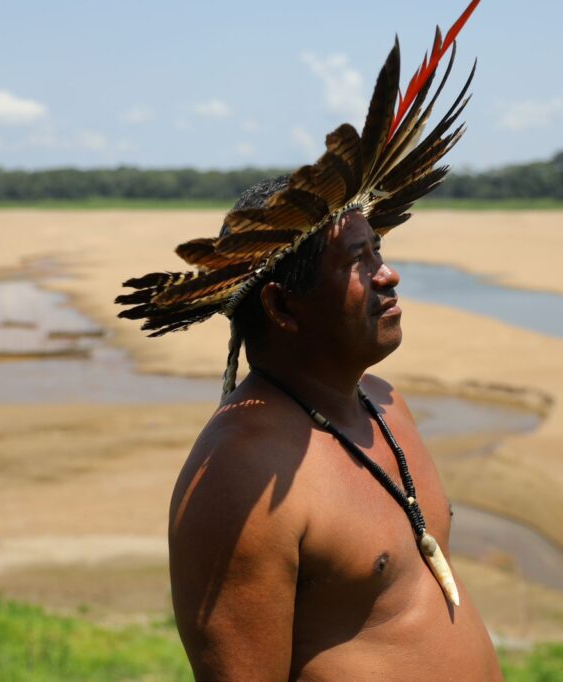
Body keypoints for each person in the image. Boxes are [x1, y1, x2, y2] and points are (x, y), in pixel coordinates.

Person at [115, 2, 496, 677]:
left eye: (379, 249)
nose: (389, 272)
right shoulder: (241, 472)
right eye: (358, 262)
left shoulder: (385, 403)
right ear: (283, 307)